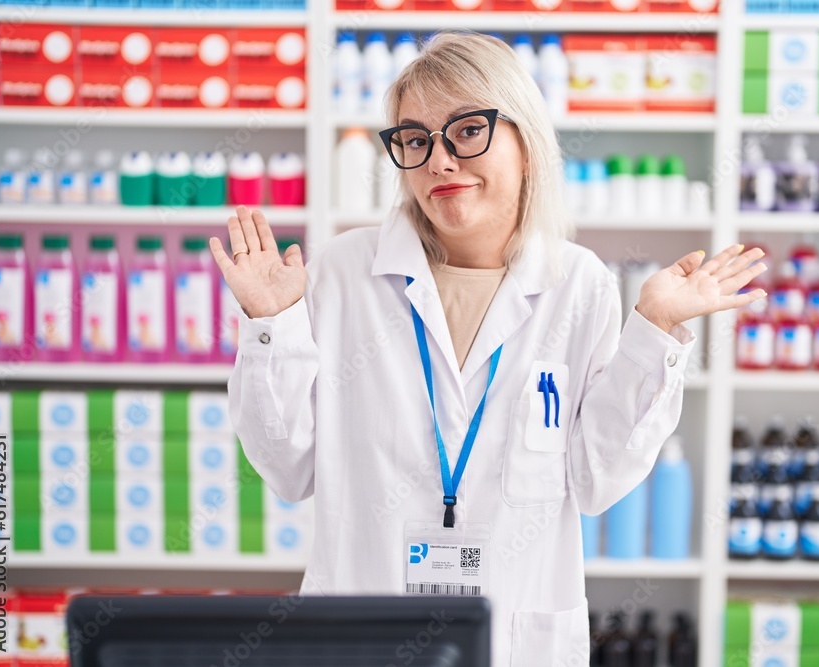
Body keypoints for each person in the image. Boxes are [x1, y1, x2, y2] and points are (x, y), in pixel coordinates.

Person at [212, 32, 766, 667]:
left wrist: (656, 330)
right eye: (416, 140)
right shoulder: (340, 273)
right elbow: (288, 468)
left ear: (525, 142)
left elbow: (596, 481)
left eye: (467, 131)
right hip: (361, 637)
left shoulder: (578, 285)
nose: (439, 162)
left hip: (515, 641)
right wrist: (269, 325)